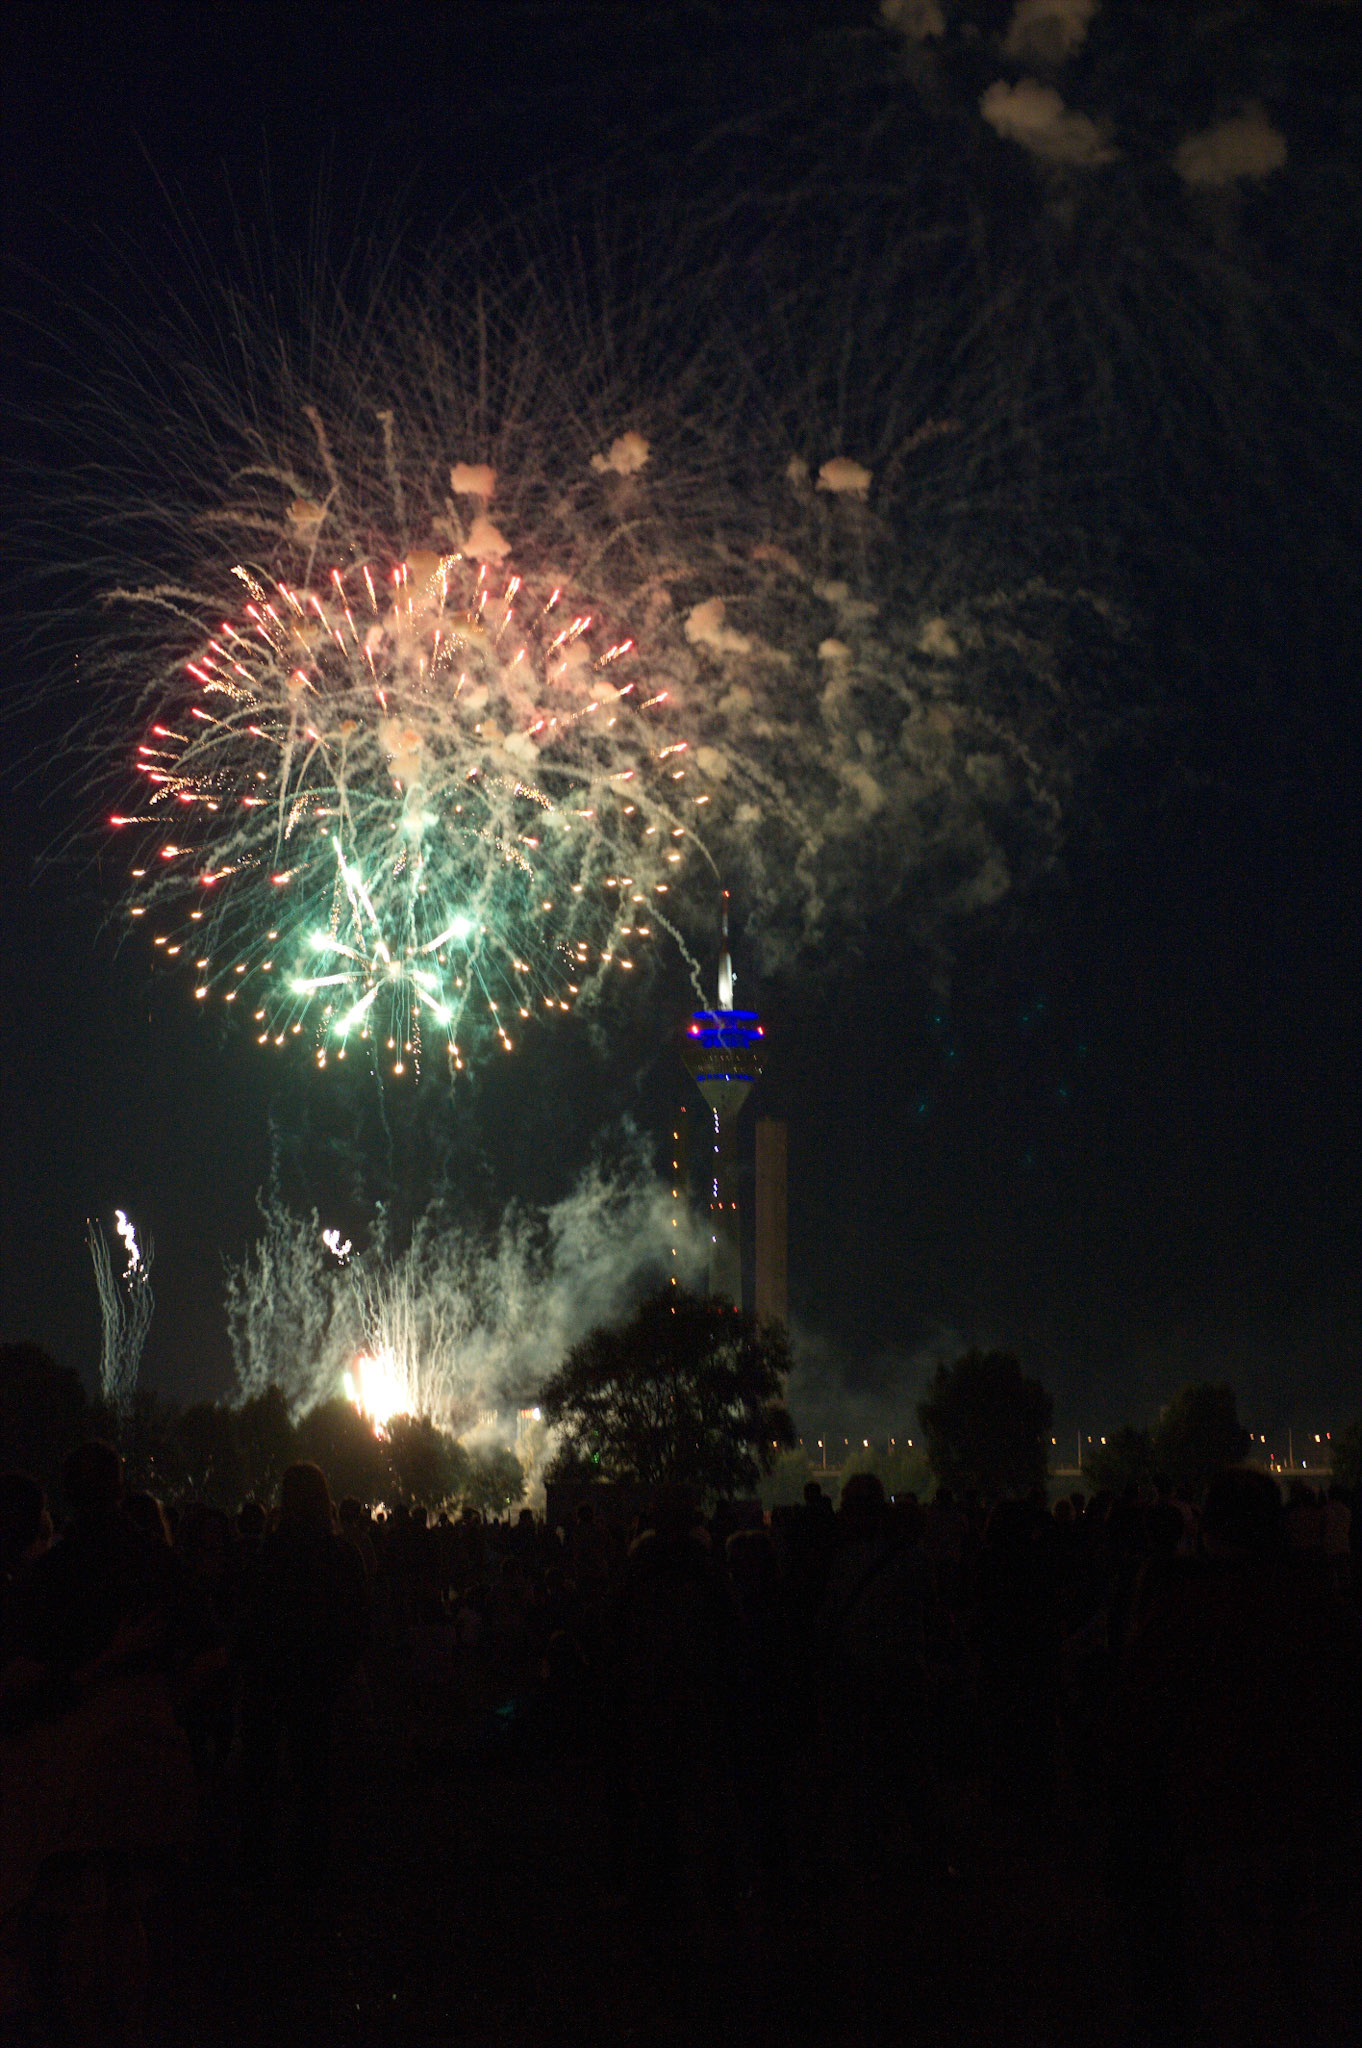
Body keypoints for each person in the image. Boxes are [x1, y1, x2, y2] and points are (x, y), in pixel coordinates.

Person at [237, 1462, 368, 1893]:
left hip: (274, 1681)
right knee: (316, 1780)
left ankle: (257, 1868)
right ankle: (311, 1870)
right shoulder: (343, 1556)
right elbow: (360, 1622)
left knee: (264, 1777)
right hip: (322, 1682)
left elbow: (250, 1622)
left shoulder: (267, 1556)